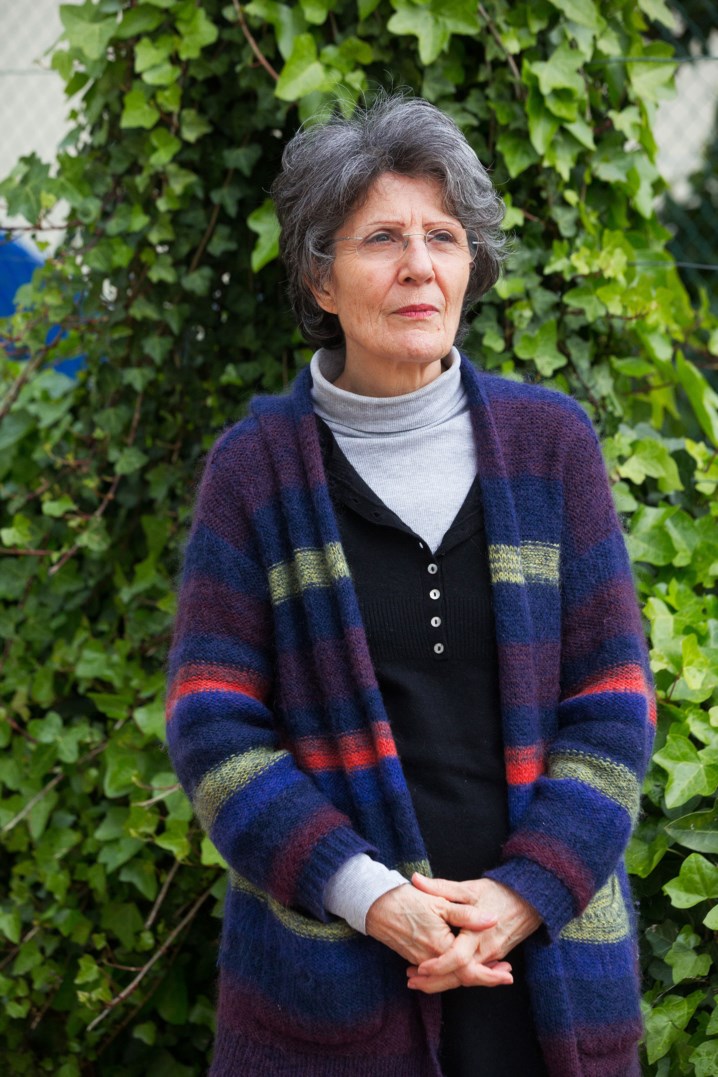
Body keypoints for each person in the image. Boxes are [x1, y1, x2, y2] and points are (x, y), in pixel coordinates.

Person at [166, 94, 656, 1077]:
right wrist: (370, 896)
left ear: (471, 265)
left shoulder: (551, 446)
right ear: (321, 276)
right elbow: (214, 725)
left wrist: (524, 894)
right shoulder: (254, 470)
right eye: (382, 238)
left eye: (444, 237)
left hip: (543, 971)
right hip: (333, 979)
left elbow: (611, 706)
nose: (420, 265)